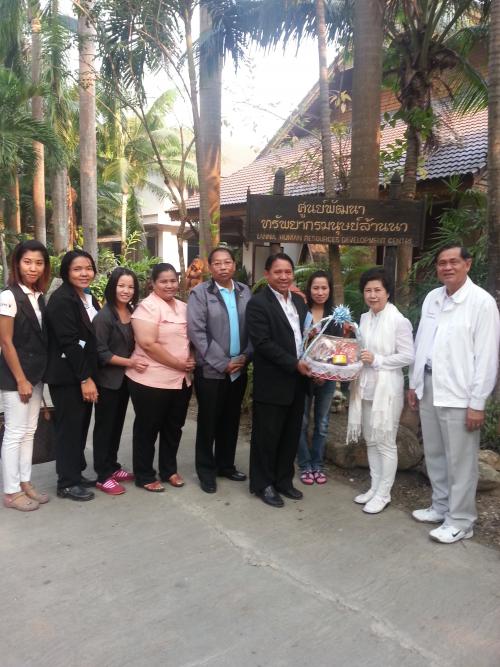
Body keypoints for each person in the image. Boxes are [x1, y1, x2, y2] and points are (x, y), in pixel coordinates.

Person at [408, 244, 500, 543]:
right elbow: (421, 341)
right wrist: (414, 383)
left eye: (453, 262)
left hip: (460, 393)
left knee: (461, 460)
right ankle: (441, 506)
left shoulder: (481, 303)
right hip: (430, 384)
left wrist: (477, 403)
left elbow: (487, 356)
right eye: (442, 263)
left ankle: (461, 520)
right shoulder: (433, 298)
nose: (447, 267)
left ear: (467, 264)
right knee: (435, 453)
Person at [347, 267, 414, 514]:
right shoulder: (365, 318)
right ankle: (374, 488)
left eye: (377, 290)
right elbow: (361, 348)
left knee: (385, 442)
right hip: (364, 386)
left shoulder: (399, 321)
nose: (372, 295)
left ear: (387, 292)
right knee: (371, 440)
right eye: (368, 290)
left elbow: (408, 356)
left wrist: (378, 360)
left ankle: (384, 493)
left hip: (387, 390)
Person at [247, 253, 311, 508]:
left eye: (288, 272)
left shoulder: (299, 301)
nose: (284, 276)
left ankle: (284, 480)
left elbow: (307, 336)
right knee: (267, 436)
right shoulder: (258, 304)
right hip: (273, 381)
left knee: (290, 434)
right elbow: (262, 343)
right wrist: (294, 364)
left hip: (298, 381)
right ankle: (263, 483)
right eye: (278, 272)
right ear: (267, 274)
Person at [187, 247, 252, 494]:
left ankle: (225, 465)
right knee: (209, 422)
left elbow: (254, 327)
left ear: (234, 265)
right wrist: (222, 362)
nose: (223, 267)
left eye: (227, 262)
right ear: (210, 267)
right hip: (212, 371)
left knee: (231, 419)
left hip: (239, 368)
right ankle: (206, 471)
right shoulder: (200, 293)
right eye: (217, 263)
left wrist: (246, 356)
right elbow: (197, 331)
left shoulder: (245, 291)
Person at [127, 263, 195, 492]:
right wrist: (179, 364)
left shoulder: (184, 307)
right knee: (147, 429)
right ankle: (144, 474)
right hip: (151, 380)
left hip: (181, 381)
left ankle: (169, 470)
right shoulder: (146, 308)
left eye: (173, 280)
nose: (169, 285)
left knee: (173, 427)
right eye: (163, 281)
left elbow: (190, 339)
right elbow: (148, 344)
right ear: (153, 284)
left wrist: (191, 358)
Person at [45, 250, 100, 502]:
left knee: (80, 426)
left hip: (83, 372)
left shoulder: (87, 297)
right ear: (66, 272)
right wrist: (85, 379)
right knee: (69, 428)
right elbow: (69, 342)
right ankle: (66, 483)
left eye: (88, 268)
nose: (84, 273)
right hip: (68, 376)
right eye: (77, 269)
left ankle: (75, 473)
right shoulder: (62, 300)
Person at [0, 240, 51, 511]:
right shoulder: (8, 297)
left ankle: (24, 483)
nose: (33, 268)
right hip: (16, 377)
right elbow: (6, 342)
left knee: (29, 431)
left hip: (36, 375)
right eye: (27, 262)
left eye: (39, 263)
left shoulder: (38, 295)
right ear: (17, 264)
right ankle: (10, 492)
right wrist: (20, 379)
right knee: (15, 432)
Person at [92, 268, 148, 495]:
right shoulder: (104, 317)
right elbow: (101, 353)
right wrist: (130, 363)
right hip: (108, 381)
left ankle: (112, 466)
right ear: (112, 287)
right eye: (121, 286)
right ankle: (102, 475)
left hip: (125, 381)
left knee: (116, 425)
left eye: (131, 286)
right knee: (104, 428)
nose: (126, 290)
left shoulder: (132, 311)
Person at [297, 270, 344, 486]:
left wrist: (325, 373)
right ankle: (304, 464)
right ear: (309, 289)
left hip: (327, 378)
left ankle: (318, 464)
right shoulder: (300, 312)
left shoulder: (337, 316)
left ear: (330, 290)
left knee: (322, 423)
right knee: (302, 422)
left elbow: (340, 350)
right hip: (302, 375)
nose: (320, 292)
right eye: (315, 287)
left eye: (324, 288)